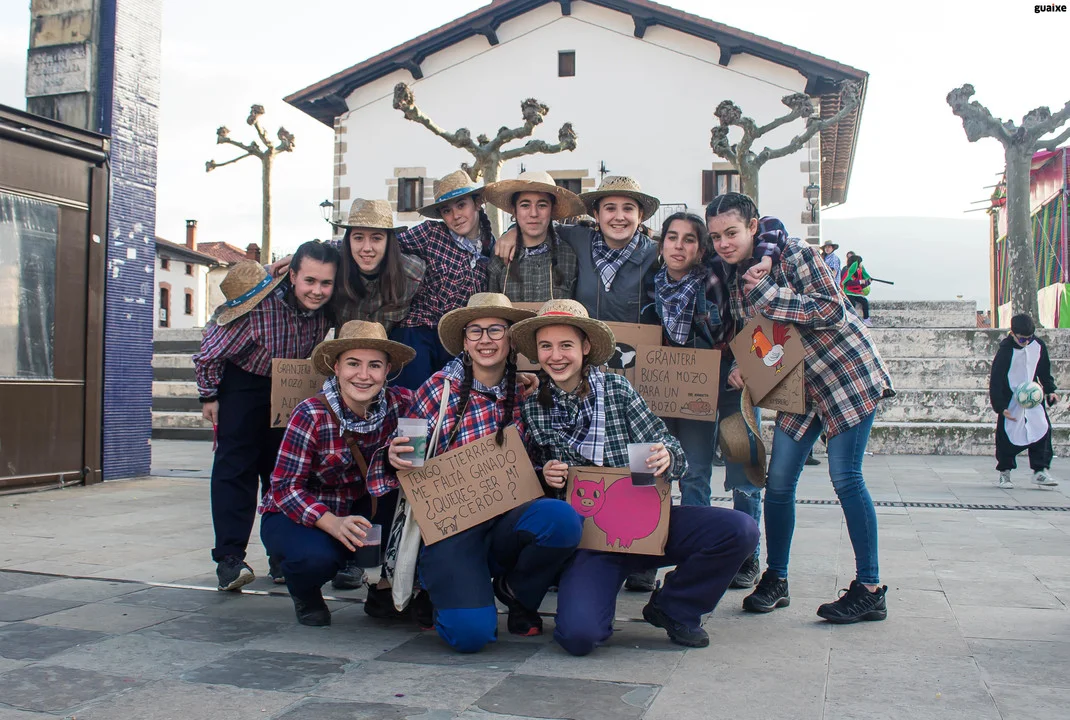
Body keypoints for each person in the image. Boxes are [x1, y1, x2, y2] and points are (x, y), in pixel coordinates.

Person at [512, 300, 759, 653]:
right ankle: (585, 590)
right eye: (546, 346)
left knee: (739, 530)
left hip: (647, 524)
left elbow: (670, 449)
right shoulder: (533, 407)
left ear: (585, 347)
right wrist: (544, 475)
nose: (556, 356)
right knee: (578, 637)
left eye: (566, 345)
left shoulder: (617, 390)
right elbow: (527, 481)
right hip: (592, 542)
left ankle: (675, 607)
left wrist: (665, 456)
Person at [707, 192, 895, 624]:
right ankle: (776, 578)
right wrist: (739, 366)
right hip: (797, 387)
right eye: (716, 237)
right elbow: (754, 333)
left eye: (731, 233)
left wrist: (770, 295)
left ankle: (870, 588)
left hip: (846, 374)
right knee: (778, 483)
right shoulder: (734, 279)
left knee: (846, 477)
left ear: (753, 227)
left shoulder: (794, 255)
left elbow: (833, 310)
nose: (723, 243)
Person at [368, 293, 583, 653]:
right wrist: (395, 456)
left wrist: (543, 470)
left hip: (506, 521)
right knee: (471, 636)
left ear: (511, 339)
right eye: (475, 331)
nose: (486, 340)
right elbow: (404, 457)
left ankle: (517, 592)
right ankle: (438, 587)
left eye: (496, 330)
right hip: (451, 530)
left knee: (561, 520)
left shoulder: (526, 392)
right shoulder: (438, 389)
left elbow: (528, 463)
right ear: (465, 341)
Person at [640, 212, 778, 589]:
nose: (679, 246)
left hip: (732, 381)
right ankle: (670, 554)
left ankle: (748, 557)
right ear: (661, 244)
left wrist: (744, 363)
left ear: (702, 249)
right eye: (672, 237)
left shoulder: (719, 274)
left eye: (689, 239)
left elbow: (771, 227)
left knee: (744, 466)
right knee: (691, 470)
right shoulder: (652, 283)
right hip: (680, 386)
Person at [193, 244, 338, 591]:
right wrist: (209, 395)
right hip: (244, 384)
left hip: (292, 383)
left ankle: (281, 554)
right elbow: (208, 353)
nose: (317, 291)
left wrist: (292, 254)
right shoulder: (258, 305)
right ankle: (230, 559)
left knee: (286, 472)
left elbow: (343, 246)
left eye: (326, 283)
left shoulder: (328, 306)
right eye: (310, 281)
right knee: (235, 468)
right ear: (293, 276)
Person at [259, 321, 417, 625]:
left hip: (364, 507)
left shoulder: (401, 403)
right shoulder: (311, 413)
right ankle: (305, 592)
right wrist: (332, 523)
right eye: (353, 364)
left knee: (411, 513)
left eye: (374, 365)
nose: (363, 375)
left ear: (387, 371)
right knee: (314, 559)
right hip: (301, 511)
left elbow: (445, 398)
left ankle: (382, 591)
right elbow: (285, 488)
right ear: (336, 367)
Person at [330, 198, 426, 334]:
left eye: (376, 238)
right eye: (358, 238)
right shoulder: (333, 269)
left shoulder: (413, 273)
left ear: (389, 241)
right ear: (348, 241)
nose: (367, 248)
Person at [484, 170, 583, 302]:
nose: (534, 213)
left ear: (552, 210)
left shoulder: (568, 256)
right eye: (525, 205)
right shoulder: (501, 255)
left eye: (542, 205)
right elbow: (491, 307)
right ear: (514, 211)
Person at [989, 313, 1059, 489]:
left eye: (1029, 338)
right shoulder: (1005, 351)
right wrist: (1000, 407)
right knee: (1007, 435)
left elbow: (1044, 370)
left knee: (1042, 429)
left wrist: (1050, 391)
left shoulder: (1038, 346)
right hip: (1011, 399)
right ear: (1012, 333)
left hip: (1033, 397)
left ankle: (1040, 471)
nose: (1026, 343)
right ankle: (1005, 472)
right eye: (1022, 339)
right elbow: (996, 381)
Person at [842, 253, 872, 327]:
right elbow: (848, 283)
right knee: (852, 303)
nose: (861, 264)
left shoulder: (859, 272)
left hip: (857, 293)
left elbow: (863, 284)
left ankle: (866, 319)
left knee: (864, 302)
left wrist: (868, 281)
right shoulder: (848, 271)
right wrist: (860, 281)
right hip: (848, 293)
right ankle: (850, 320)